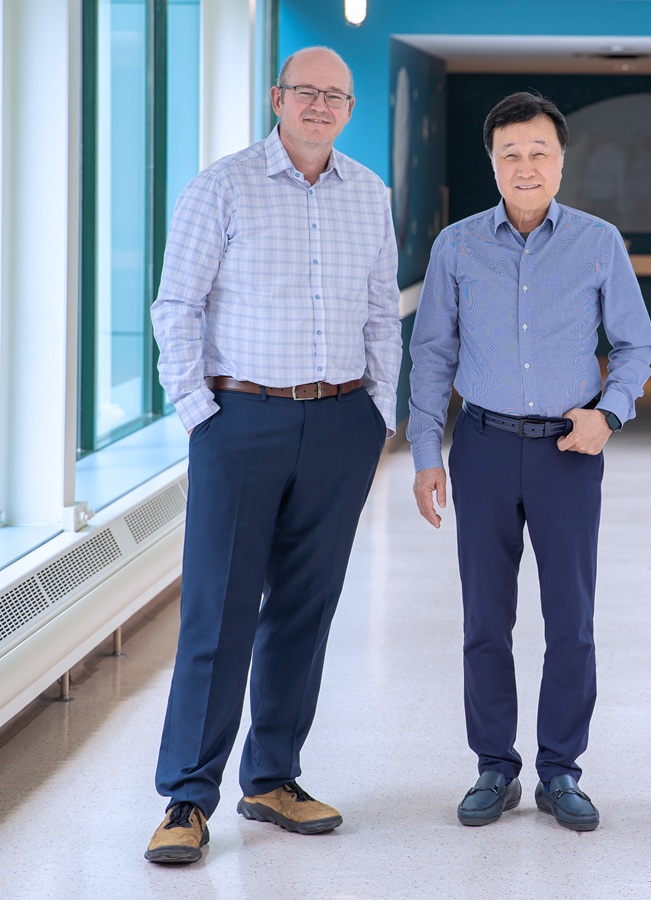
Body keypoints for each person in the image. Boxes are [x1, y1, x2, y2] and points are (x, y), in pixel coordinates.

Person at [145, 46, 402, 864]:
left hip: (338, 424)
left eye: (336, 95)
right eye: (306, 92)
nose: (320, 105)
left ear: (350, 109)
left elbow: (379, 314)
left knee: (305, 607)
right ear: (276, 97)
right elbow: (175, 305)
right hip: (240, 418)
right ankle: (188, 797)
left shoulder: (370, 193)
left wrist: (377, 415)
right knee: (217, 611)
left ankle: (274, 778)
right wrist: (199, 414)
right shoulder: (221, 186)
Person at [406, 92, 651, 832]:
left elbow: (637, 346)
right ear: (493, 161)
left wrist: (609, 415)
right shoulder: (456, 246)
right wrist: (428, 453)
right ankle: (494, 766)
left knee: (570, 620)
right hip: (481, 445)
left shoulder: (598, 242)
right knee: (485, 619)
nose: (525, 166)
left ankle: (561, 771)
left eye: (538, 152)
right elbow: (431, 356)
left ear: (560, 159)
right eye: (510, 153)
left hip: (566, 452)